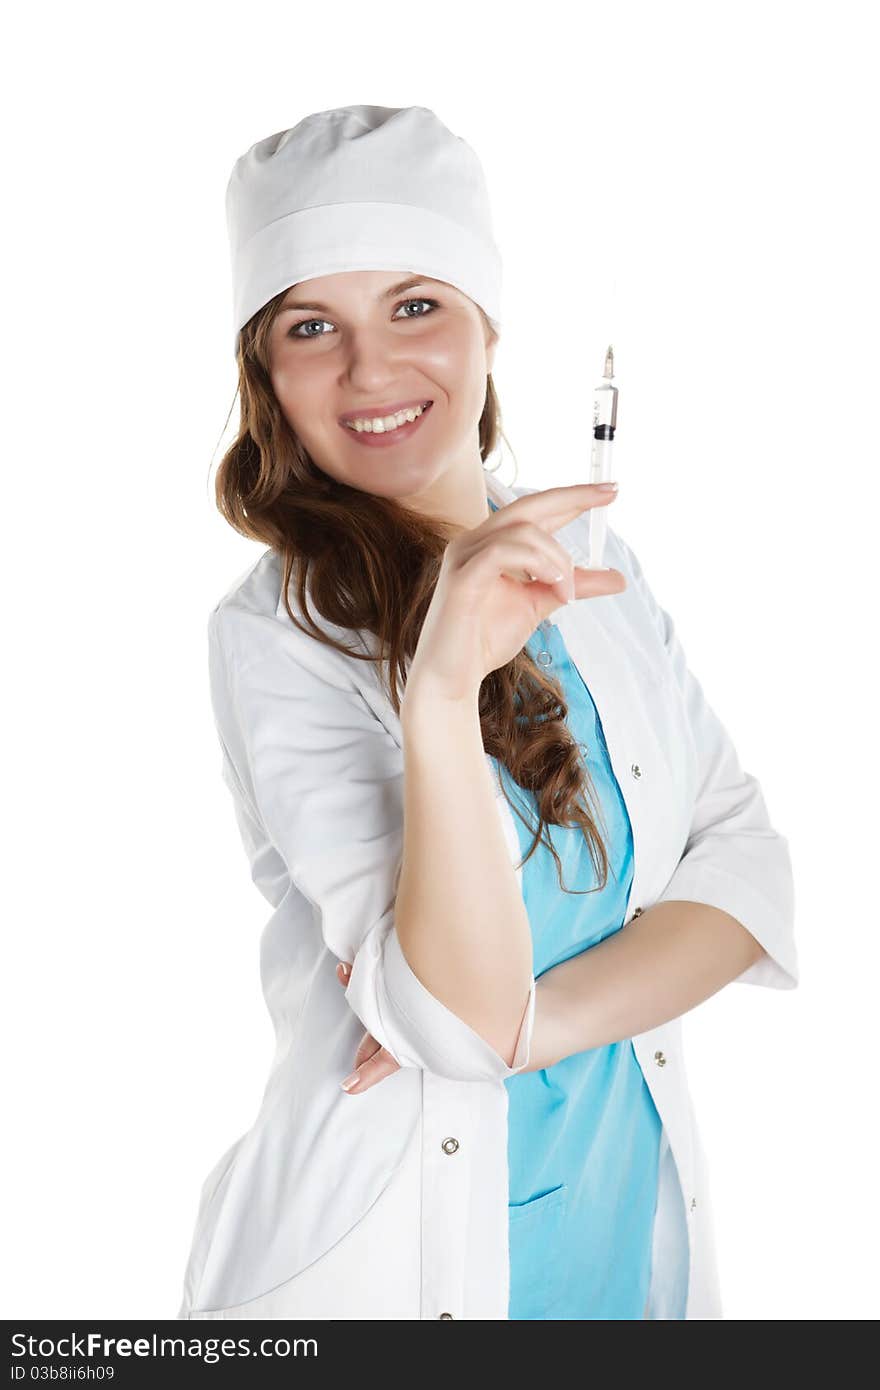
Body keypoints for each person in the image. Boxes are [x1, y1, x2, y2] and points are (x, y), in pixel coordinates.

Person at [175, 104, 798, 1321]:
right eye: (313, 326)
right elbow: (454, 1015)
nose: (370, 370)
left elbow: (749, 874)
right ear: (268, 374)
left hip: (621, 1243)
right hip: (381, 1260)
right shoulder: (275, 634)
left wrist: (537, 1024)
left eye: (415, 305)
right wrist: (441, 684)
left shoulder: (592, 567)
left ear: (486, 322)